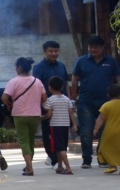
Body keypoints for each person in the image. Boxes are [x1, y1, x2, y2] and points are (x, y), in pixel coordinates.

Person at [71, 35, 120, 169]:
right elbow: (74, 80)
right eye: (90, 47)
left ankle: (102, 158)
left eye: (96, 47)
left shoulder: (110, 61)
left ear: (102, 48)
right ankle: (86, 159)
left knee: (105, 132)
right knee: (86, 131)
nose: (93, 49)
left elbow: (118, 78)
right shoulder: (81, 61)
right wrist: (73, 99)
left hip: (106, 103)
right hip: (85, 102)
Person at [3, 57, 47, 176]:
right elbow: (44, 97)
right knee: (31, 140)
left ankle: (30, 168)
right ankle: (28, 165)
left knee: (23, 141)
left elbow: (4, 97)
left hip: (20, 114)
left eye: (16, 67)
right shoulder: (37, 81)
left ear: (19, 67)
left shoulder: (14, 81)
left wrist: (10, 105)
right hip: (35, 114)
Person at [33, 41, 69, 166]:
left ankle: (58, 156)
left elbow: (66, 84)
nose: (54, 53)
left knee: (62, 132)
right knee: (49, 132)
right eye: (51, 51)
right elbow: (37, 87)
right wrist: (41, 105)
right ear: (45, 52)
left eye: (56, 51)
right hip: (47, 105)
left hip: (62, 105)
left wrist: (69, 100)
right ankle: (53, 158)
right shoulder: (38, 67)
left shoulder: (61, 66)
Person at [44, 76, 76, 175]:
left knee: (60, 148)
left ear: (50, 87)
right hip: (65, 126)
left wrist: (42, 118)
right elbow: (71, 113)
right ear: (62, 87)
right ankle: (60, 167)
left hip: (55, 126)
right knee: (60, 147)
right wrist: (74, 124)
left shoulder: (50, 100)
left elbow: (49, 115)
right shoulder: (66, 99)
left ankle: (68, 168)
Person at [92, 84, 120, 173]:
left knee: (105, 148)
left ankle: (112, 165)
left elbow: (101, 119)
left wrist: (96, 129)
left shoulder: (106, 105)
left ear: (108, 95)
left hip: (110, 132)